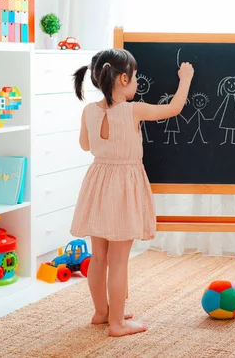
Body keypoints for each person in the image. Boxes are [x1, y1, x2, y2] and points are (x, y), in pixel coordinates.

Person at [70, 48, 194, 336]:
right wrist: (185, 78)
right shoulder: (133, 109)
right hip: (123, 187)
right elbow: (173, 109)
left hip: (97, 184)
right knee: (119, 261)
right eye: (136, 77)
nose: (138, 82)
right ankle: (117, 323)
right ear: (123, 78)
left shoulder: (88, 110)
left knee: (98, 257)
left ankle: (102, 312)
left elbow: (85, 146)